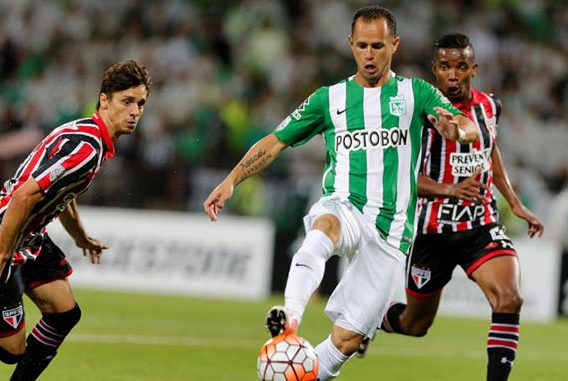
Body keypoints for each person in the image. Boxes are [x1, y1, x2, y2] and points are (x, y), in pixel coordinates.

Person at [203, 6, 479, 381]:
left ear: (394, 45)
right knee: (325, 226)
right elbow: (276, 141)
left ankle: (297, 374)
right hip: (345, 204)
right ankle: (290, 320)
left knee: (346, 341)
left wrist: (456, 131)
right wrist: (233, 178)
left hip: (392, 231)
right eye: (362, 45)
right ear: (350, 44)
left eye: (378, 46)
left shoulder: (416, 93)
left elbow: (466, 125)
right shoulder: (327, 99)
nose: (369, 54)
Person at [0, 60, 151, 381]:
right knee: (9, 351)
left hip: (27, 238)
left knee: (65, 313)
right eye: (127, 101)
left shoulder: (84, 132)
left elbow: (61, 193)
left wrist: (80, 236)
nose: (136, 111)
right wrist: (1, 259)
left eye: (141, 104)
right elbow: (24, 196)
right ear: (104, 100)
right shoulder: (87, 148)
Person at [372, 34, 544, 381]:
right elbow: (398, 175)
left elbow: (490, 149)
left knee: (509, 298)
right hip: (430, 232)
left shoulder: (490, 106)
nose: (453, 74)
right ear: (435, 71)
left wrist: (515, 202)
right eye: (446, 67)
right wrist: (449, 188)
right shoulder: (416, 115)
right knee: (415, 324)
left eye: (461, 66)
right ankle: (372, 321)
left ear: (474, 69)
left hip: (479, 224)